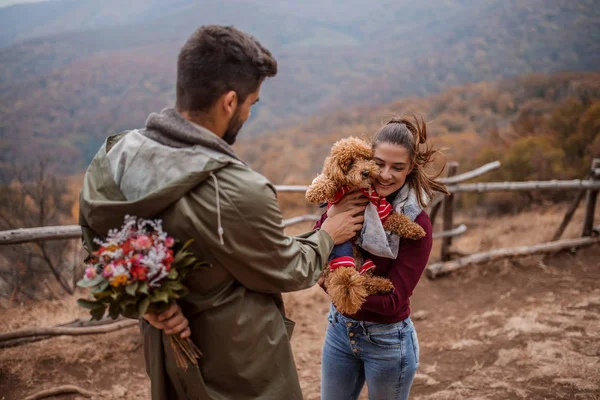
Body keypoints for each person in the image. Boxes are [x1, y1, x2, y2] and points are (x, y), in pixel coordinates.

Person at [78, 25, 364, 400]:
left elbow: (101, 255)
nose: (248, 113)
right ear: (230, 102)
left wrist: (148, 305)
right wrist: (330, 233)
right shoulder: (236, 190)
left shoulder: (111, 159)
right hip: (242, 370)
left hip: (166, 360)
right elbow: (285, 268)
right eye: (251, 103)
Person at [314, 117, 449, 400]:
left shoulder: (416, 224)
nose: (385, 175)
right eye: (379, 163)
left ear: (410, 168)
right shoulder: (348, 199)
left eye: (397, 167)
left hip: (388, 341)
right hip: (339, 331)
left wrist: (335, 288)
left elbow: (391, 302)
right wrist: (333, 218)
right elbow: (317, 251)